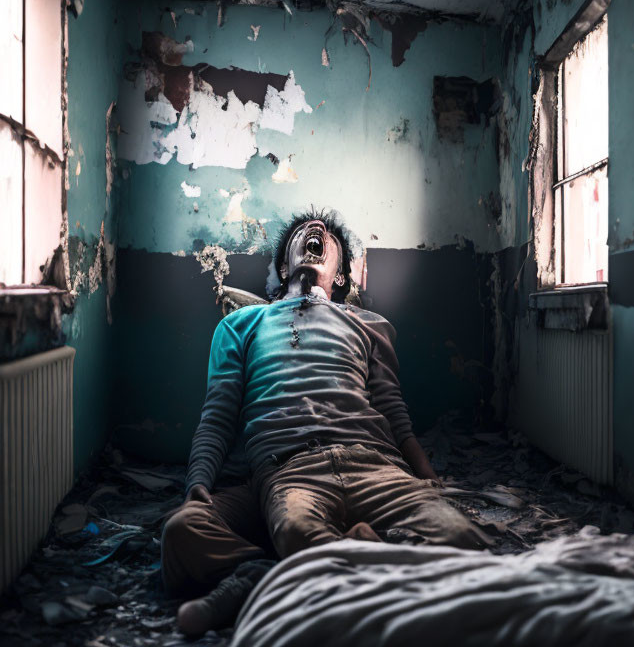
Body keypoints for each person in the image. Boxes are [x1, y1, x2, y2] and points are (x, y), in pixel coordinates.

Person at [161, 209, 487, 635]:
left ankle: (286, 575)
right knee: (185, 532)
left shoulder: (369, 325)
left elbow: (393, 410)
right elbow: (217, 416)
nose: (316, 233)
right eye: (303, 232)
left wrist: (426, 475)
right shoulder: (241, 325)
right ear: (283, 267)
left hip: (376, 466)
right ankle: (302, 568)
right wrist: (197, 484)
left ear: (340, 277)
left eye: (328, 237)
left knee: (461, 538)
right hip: (289, 471)